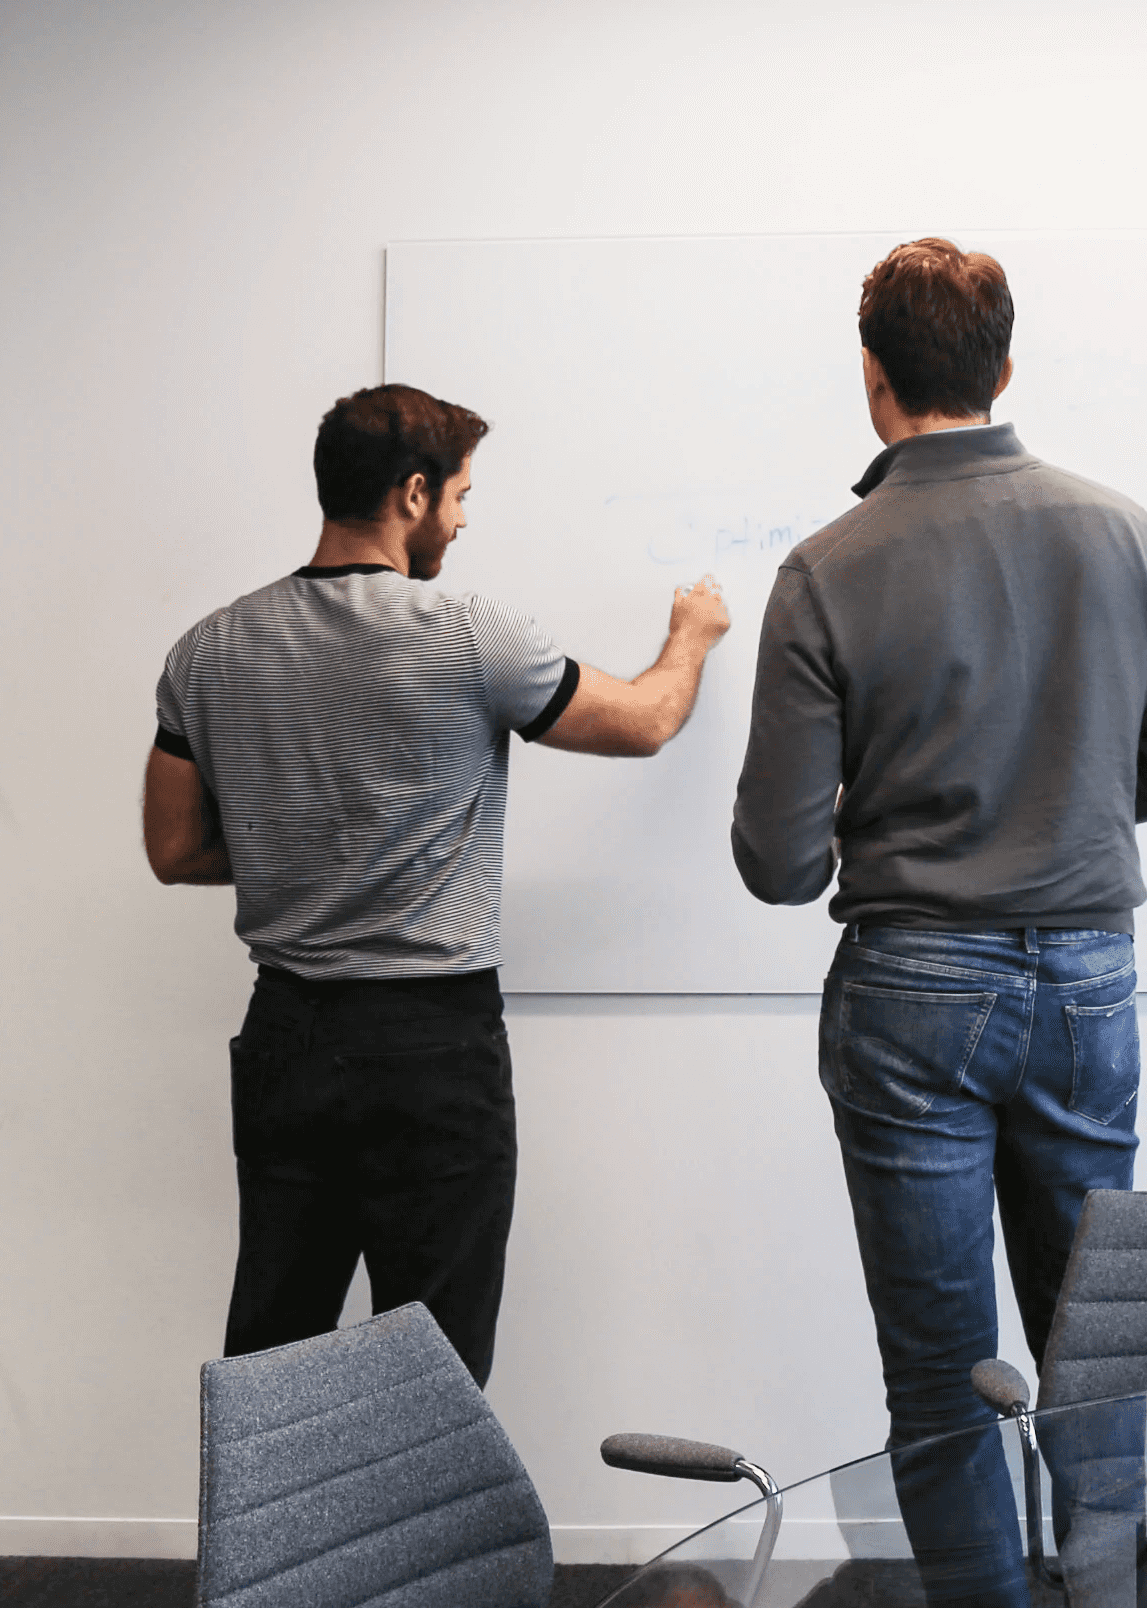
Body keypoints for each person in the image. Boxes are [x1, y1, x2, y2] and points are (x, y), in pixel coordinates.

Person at [732, 237, 1147, 1608]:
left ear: (874, 384)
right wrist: (1056, 810)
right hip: (1089, 983)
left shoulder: (827, 566)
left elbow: (775, 863)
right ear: (1006, 370)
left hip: (913, 991)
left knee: (946, 1377)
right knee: (1095, 1350)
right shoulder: (1124, 529)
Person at [143, 383, 732, 1385]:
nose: (462, 519)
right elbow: (642, 721)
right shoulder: (469, 633)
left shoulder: (208, 649)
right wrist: (694, 637)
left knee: (273, 1355)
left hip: (290, 1036)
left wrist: (310, 848)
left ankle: (265, 1548)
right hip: (432, 1045)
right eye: (459, 495)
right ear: (411, 495)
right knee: (437, 1366)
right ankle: (416, 1547)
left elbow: (175, 847)